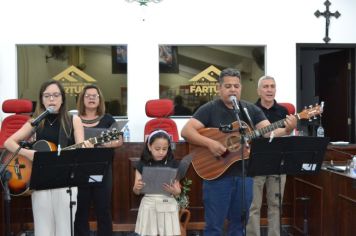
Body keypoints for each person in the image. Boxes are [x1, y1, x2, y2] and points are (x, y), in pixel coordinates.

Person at [181, 68, 296, 236]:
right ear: (219, 88)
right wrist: (211, 143)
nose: (233, 89)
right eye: (228, 86)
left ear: (241, 88)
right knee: (214, 226)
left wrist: (287, 129)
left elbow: (267, 132)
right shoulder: (209, 109)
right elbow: (186, 131)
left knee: (239, 224)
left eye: (236, 86)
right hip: (216, 176)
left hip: (244, 176)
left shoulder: (250, 110)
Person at [4, 80, 91, 236]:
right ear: (42, 99)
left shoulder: (73, 120)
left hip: (66, 181)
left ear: (62, 98)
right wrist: (28, 153)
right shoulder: (35, 122)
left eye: (56, 95)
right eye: (47, 96)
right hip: (40, 179)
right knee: (43, 229)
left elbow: (80, 148)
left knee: (65, 229)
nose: (52, 99)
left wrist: (86, 148)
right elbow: (8, 142)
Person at [74, 84, 123, 236]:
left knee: (103, 208)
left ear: (100, 99)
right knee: (80, 209)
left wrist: (103, 143)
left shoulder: (108, 119)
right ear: (82, 99)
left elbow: (119, 140)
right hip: (79, 169)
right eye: (87, 96)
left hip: (102, 168)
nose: (91, 98)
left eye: (95, 96)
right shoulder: (74, 120)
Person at [246, 76, 289, 236]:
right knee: (253, 205)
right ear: (258, 90)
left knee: (276, 204)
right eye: (265, 86)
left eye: (272, 86)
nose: (269, 90)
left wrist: (290, 129)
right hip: (255, 162)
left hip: (277, 162)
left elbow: (287, 135)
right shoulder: (249, 110)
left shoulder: (284, 112)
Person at [133, 129, 181, 236]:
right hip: (149, 204)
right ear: (149, 147)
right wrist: (137, 187)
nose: (161, 152)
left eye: (165, 149)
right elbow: (136, 191)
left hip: (167, 203)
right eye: (157, 148)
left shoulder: (173, 164)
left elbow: (178, 191)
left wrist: (175, 191)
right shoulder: (142, 164)